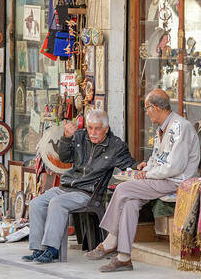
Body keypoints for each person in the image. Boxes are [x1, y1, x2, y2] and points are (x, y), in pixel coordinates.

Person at [86, 89, 201, 272]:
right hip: (161, 178)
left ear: (155, 108)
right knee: (131, 201)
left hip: (176, 181)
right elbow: (157, 160)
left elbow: (175, 167)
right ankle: (124, 257)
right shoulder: (161, 129)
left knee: (123, 190)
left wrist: (148, 174)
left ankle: (110, 240)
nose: (146, 112)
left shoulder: (180, 127)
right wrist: (145, 170)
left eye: (147, 108)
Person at [21, 109, 137, 264]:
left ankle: (52, 250)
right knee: (36, 203)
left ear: (106, 129)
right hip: (66, 186)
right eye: (90, 128)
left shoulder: (115, 146)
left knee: (57, 203)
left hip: (88, 193)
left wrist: (139, 167)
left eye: (97, 129)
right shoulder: (79, 137)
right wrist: (67, 138)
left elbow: (129, 165)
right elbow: (64, 158)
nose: (93, 132)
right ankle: (38, 249)